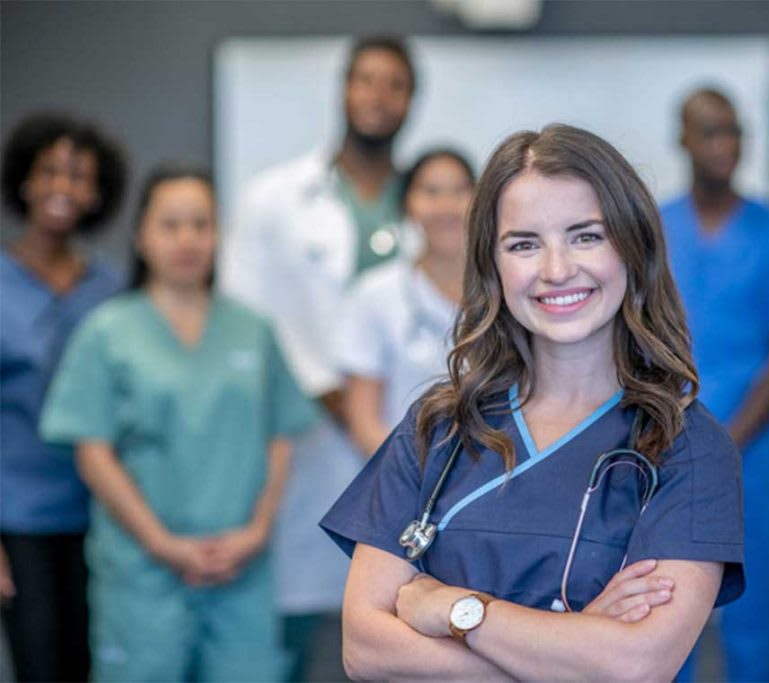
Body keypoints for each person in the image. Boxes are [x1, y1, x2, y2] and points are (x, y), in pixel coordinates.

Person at [320, 123, 745, 681]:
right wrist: (572, 646)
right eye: (524, 244)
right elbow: (366, 649)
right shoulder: (437, 429)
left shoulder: (685, 448)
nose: (556, 269)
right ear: (493, 267)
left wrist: (451, 609)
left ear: (632, 245)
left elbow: (636, 665)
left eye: (585, 235)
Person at [40, 165, 315, 681]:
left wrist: (255, 532)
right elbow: (92, 453)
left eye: (200, 224)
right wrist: (163, 545)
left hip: (241, 567)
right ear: (141, 235)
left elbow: (280, 436)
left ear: (218, 235)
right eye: (170, 225)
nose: (187, 239)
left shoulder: (251, 331)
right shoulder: (108, 333)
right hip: (143, 571)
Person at [218, 35, 416, 680]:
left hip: (402, 437)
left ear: (411, 99)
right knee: (297, 634)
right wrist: (330, 393)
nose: (377, 97)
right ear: (343, 89)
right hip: (301, 433)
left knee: (401, 626)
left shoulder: (430, 207)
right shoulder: (275, 198)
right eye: (365, 80)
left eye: (394, 83)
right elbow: (244, 320)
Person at [659, 87, 769, 681]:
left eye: (733, 132)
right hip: (665, 450)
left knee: (758, 609)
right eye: (709, 131)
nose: (723, 145)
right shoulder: (654, 229)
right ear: (683, 140)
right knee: (659, 603)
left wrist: (727, 443)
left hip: (755, 453)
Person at [0, 112, 126, 683]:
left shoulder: (110, 291)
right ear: (24, 180)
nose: (63, 188)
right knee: (39, 661)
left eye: (79, 176)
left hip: (99, 513)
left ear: (97, 193)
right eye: (49, 171)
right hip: (18, 517)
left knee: (93, 662)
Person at [338, 148, 474, 456]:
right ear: (407, 204)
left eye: (459, 190)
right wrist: (419, 478)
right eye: (431, 192)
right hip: (405, 480)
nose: (446, 206)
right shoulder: (373, 296)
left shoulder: (506, 292)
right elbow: (364, 424)